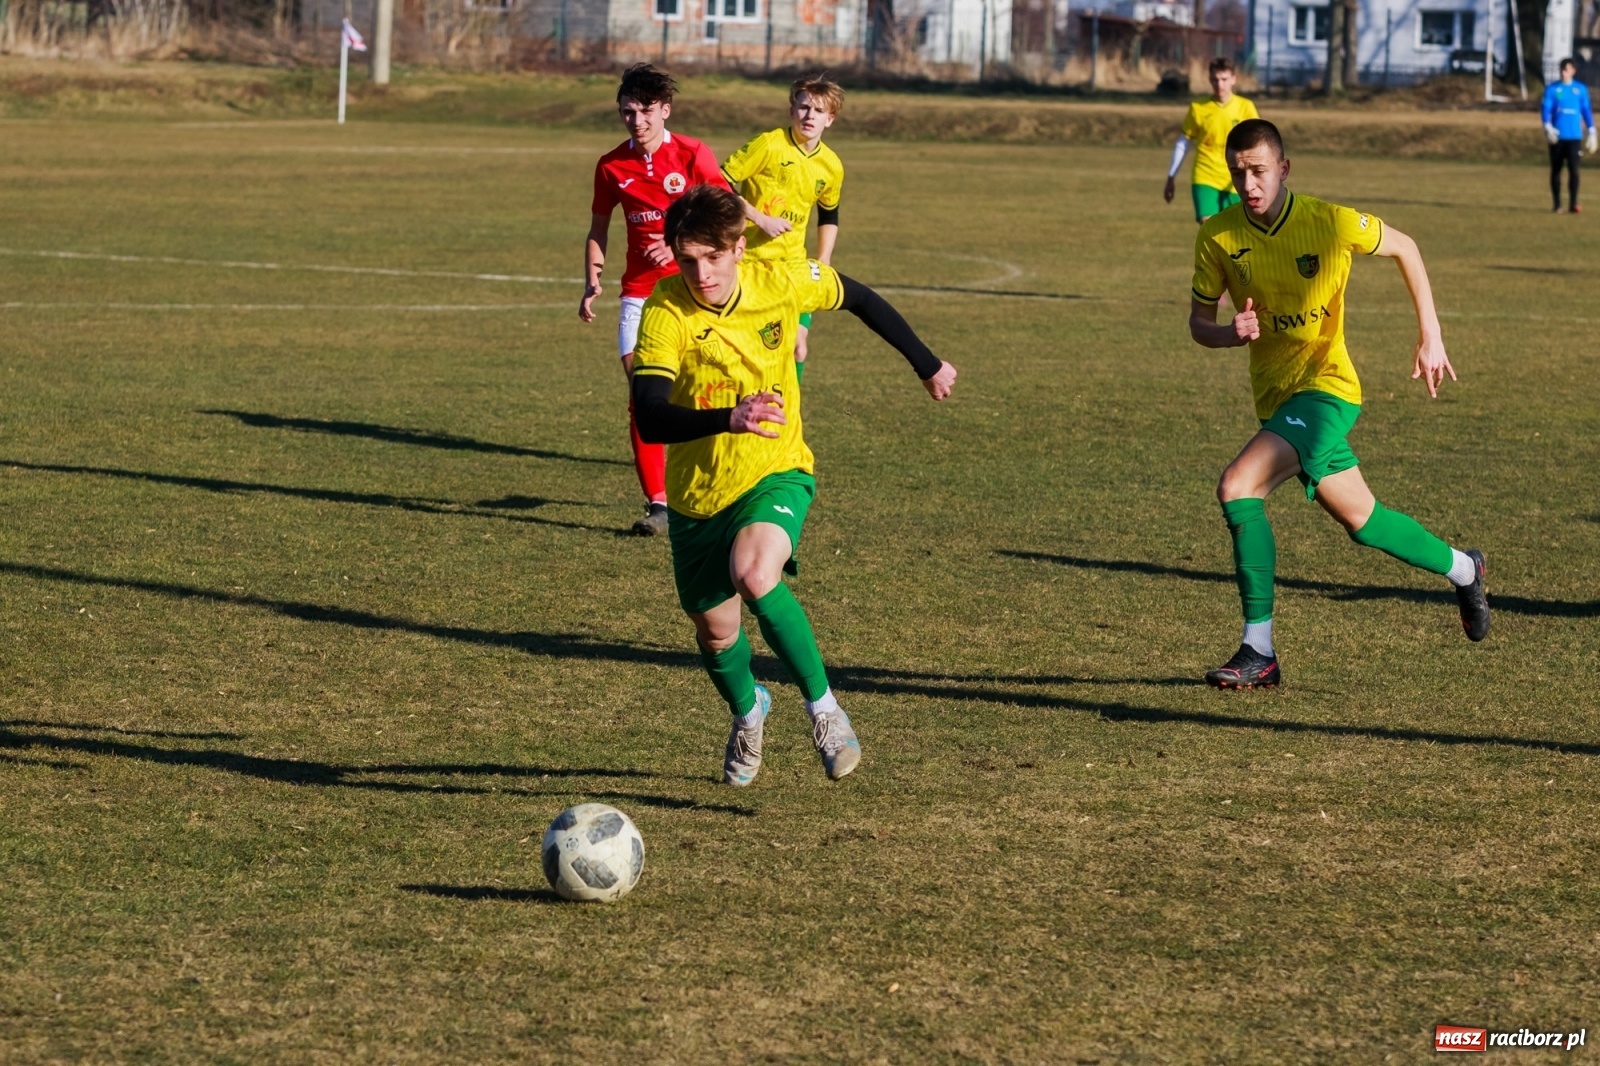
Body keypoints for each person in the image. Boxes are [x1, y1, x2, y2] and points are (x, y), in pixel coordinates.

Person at [630, 184, 957, 784]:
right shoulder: (666, 309)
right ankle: (749, 710)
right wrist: (727, 417)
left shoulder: (778, 280)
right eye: (687, 259)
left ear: (736, 247)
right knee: (716, 629)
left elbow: (860, 297)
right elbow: (649, 415)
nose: (700, 272)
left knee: (757, 575)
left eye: (712, 256)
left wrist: (927, 363)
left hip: (777, 468)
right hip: (698, 494)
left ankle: (826, 710)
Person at [1188, 119, 1489, 689]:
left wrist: (1431, 334)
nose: (1248, 183)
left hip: (1328, 391)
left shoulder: (1329, 221)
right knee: (1365, 522)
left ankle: (1260, 651)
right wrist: (1230, 332)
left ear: (1283, 169)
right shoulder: (1218, 237)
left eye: (1258, 170)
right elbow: (1198, 324)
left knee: (1237, 487)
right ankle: (1464, 568)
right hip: (1277, 400)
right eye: (1237, 173)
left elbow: (1406, 246)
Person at [580, 63, 730, 536]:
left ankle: (714, 479)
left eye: (646, 111)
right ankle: (659, 505)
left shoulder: (692, 154)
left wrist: (679, 237)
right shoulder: (611, 165)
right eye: (628, 111)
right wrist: (591, 280)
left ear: (665, 110)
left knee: (703, 387)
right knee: (641, 395)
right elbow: (598, 228)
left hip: (696, 290)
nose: (637, 120)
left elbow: (724, 214)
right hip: (640, 294)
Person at [720, 75, 846, 382]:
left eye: (818, 111)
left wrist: (824, 261)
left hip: (793, 267)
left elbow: (829, 215)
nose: (809, 116)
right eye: (803, 108)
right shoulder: (768, 144)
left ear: (829, 119)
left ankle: (789, 419)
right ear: (792, 111)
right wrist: (759, 218)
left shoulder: (831, 166)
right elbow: (719, 181)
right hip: (747, 262)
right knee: (748, 349)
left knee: (796, 349)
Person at [1165, 58, 1260, 224]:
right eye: (1215, 79)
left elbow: (1257, 144)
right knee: (1209, 225)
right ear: (1209, 80)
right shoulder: (1198, 108)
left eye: (1224, 79)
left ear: (1233, 79)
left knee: (1238, 230)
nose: (1220, 84)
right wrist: (1171, 177)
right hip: (1205, 174)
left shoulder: (1246, 107)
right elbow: (1183, 143)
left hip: (1237, 177)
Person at [1541, 58, 1597, 213]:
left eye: (1566, 70)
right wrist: (1547, 125)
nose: (1563, 73)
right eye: (1561, 70)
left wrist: (1592, 130)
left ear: (1573, 71)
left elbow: (1586, 110)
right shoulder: (1553, 89)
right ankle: (1557, 204)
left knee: (1574, 170)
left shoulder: (1580, 89)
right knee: (1556, 170)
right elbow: (1546, 108)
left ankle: (1573, 203)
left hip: (1574, 137)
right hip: (1557, 136)